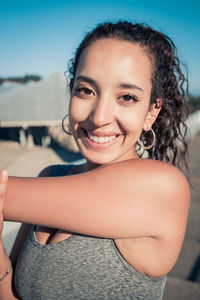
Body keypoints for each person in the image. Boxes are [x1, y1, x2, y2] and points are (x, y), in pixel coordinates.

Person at [0, 21, 190, 300]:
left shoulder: (162, 188)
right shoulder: (50, 174)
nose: (99, 117)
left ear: (151, 112)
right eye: (86, 90)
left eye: (126, 97)